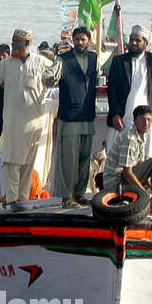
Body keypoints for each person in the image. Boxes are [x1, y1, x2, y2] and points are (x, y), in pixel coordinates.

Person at [0, 28, 60, 211]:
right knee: (10, 163)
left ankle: (22, 201)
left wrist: (56, 74)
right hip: (13, 125)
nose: (14, 45)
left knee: (26, 166)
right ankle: (13, 201)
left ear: (28, 44)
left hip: (34, 126)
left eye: (18, 42)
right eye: (13, 41)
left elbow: (56, 72)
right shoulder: (6, 64)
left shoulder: (41, 62)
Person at [53, 24, 99, 206]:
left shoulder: (94, 58)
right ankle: (67, 197)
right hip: (70, 116)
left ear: (89, 40)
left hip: (87, 115)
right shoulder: (63, 59)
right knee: (68, 161)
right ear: (73, 40)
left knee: (84, 160)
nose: (80, 42)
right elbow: (52, 77)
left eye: (83, 39)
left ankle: (79, 193)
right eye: (77, 39)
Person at [106, 25, 152, 158]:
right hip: (124, 116)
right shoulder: (119, 61)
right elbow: (112, 91)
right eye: (131, 40)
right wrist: (115, 114)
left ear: (146, 43)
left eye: (137, 40)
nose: (133, 43)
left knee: (146, 154)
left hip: (147, 116)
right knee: (118, 154)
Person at [107, 105, 152, 215]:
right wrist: (147, 196)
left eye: (149, 120)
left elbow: (139, 164)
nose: (146, 123)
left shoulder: (141, 137)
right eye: (142, 119)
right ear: (135, 121)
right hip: (116, 182)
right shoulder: (130, 139)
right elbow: (127, 172)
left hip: (124, 178)